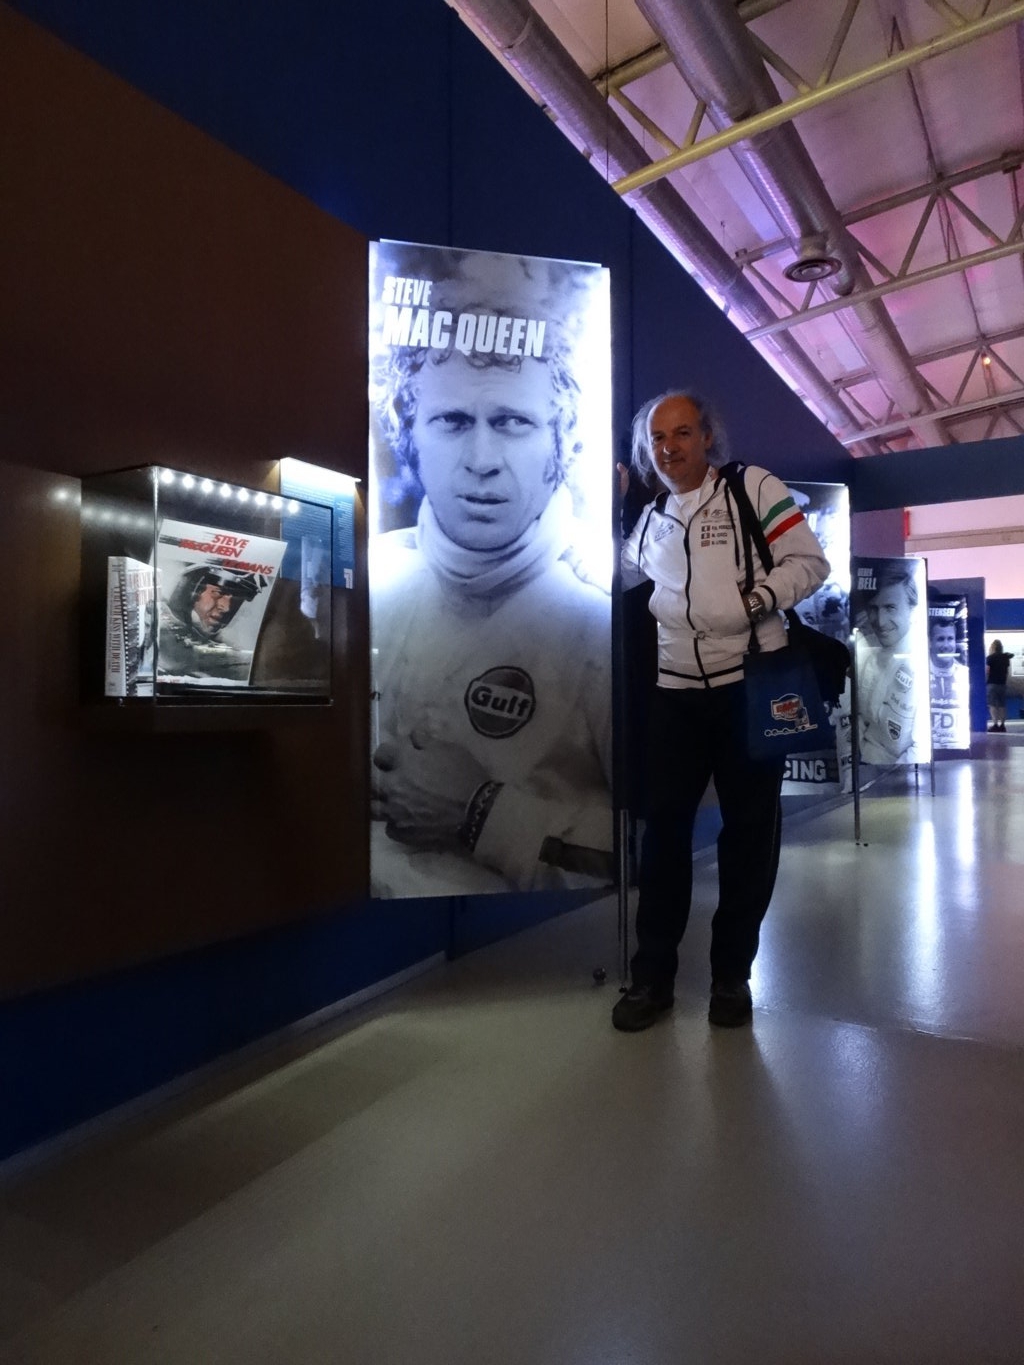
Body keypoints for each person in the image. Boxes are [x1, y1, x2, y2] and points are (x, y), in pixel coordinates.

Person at [368, 250, 612, 898]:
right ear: (410, 434)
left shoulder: (604, 624)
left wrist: (483, 815)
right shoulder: (372, 581)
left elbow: (657, 849)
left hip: (529, 950)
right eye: (452, 421)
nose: (482, 459)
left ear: (560, 441)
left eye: (512, 422)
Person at [612, 390, 829, 1032]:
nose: (669, 448)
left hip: (749, 688)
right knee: (663, 839)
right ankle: (652, 979)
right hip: (673, 695)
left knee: (748, 836)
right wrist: (601, 516)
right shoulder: (652, 516)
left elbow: (809, 563)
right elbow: (620, 577)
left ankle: (732, 976)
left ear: (707, 436)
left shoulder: (751, 487)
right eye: (657, 439)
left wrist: (755, 601)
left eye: (681, 433)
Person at [854, 566, 925, 765]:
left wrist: (892, 777)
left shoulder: (921, 661)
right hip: (864, 765)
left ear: (912, 609)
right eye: (873, 608)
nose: (881, 621)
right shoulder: (865, 649)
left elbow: (920, 748)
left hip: (899, 773)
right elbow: (857, 717)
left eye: (890, 608)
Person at [157, 563, 267, 681]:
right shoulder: (156, 629)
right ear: (193, 589)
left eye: (237, 599)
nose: (226, 608)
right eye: (219, 593)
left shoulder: (226, 647)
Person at [928, 615, 970, 749]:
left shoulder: (964, 674)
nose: (946, 645)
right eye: (940, 639)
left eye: (950, 639)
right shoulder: (918, 673)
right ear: (930, 642)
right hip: (928, 749)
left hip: (958, 748)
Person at [986, 639, 1014, 732]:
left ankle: (995, 724)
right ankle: (1002, 725)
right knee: (1002, 705)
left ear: (993, 647)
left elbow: (988, 671)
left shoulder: (990, 658)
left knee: (993, 705)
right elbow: (1007, 671)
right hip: (1002, 684)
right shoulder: (1005, 658)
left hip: (992, 684)